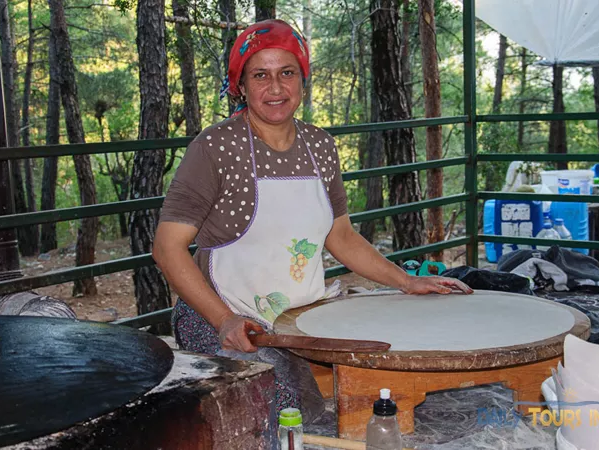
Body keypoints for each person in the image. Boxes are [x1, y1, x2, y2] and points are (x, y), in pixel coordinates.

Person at [152, 19, 472, 423]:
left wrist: (405, 281)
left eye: (286, 73)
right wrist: (224, 319)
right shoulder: (216, 147)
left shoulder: (319, 145)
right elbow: (167, 248)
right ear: (241, 85)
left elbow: (341, 236)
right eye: (260, 75)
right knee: (286, 408)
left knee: (383, 378)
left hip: (301, 318)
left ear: (303, 80)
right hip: (225, 317)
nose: (275, 88)